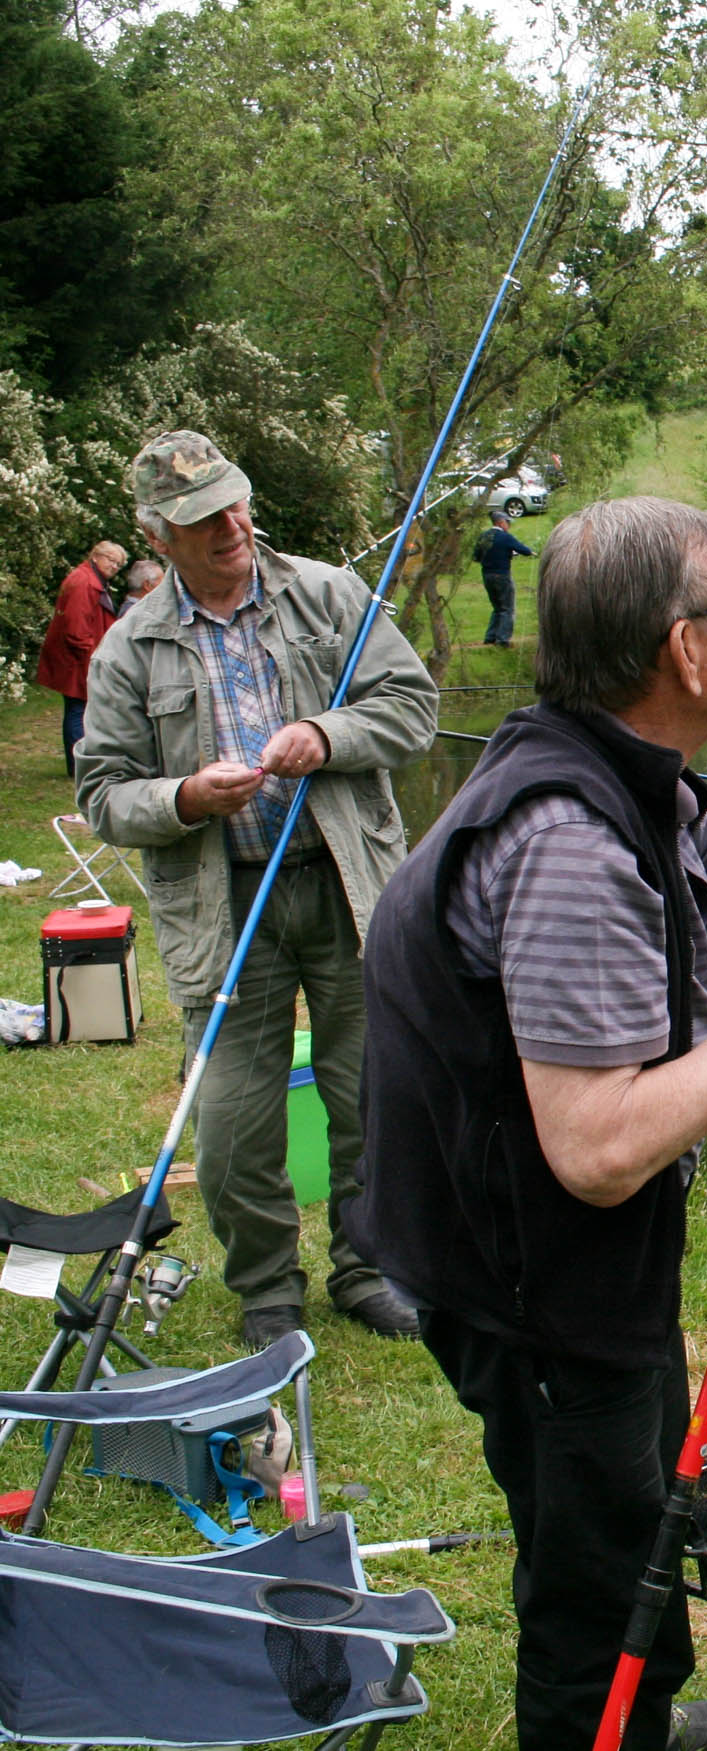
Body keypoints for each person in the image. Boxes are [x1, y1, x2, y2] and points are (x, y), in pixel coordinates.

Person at [348, 496, 707, 1751]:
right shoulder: (568, 841)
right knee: (597, 1571)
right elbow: (601, 1149)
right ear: (683, 647)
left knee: (621, 1513)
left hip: (548, 1254)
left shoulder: (628, 775)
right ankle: (599, 1724)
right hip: (534, 1278)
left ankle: (640, 1717)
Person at [76, 430, 438, 1350]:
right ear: (160, 535)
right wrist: (185, 797)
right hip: (226, 907)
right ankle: (268, 1285)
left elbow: (410, 705)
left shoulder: (327, 594)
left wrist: (325, 734)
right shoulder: (130, 647)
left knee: (373, 1097)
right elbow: (102, 791)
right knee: (234, 1127)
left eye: (234, 502)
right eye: (203, 519)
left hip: (352, 886)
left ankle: (369, 1268)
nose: (232, 525)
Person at [36, 540, 127, 775]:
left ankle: (80, 764)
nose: (114, 566)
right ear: (95, 556)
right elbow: (76, 630)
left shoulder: (89, 579)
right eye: (111, 560)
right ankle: (78, 767)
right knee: (78, 710)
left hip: (80, 657)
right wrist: (93, 658)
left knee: (79, 709)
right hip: (77, 659)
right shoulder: (84, 582)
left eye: (119, 564)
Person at [475, 510, 533, 648]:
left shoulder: (483, 536)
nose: (509, 526)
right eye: (507, 522)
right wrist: (529, 552)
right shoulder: (505, 537)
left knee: (497, 607)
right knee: (507, 608)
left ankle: (490, 637)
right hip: (502, 575)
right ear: (501, 522)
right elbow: (524, 550)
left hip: (487, 575)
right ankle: (502, 639)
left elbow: (477, 556)